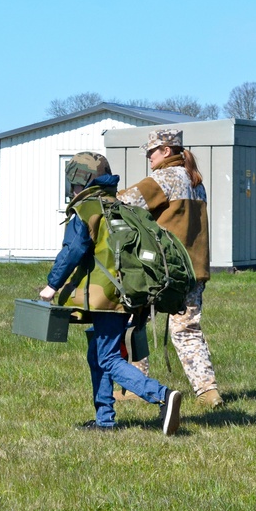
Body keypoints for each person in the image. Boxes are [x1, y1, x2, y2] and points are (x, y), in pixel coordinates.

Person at [39, 152, 182, 435]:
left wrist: (52, 285)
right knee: (98, 354)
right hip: (126, 294)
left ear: (79, 181)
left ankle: (163, 395)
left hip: (105, 298)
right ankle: (105, 420)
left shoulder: (87, 209)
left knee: (107, 358)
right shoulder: (120, 206)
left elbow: (73, 251)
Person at [115, 129, 222, 407]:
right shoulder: (195, 180)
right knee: (188, 331)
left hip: (162, 272)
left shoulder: (163, 178)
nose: (148, 157)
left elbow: (123, 203)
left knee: (133, 323)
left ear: (166, 150)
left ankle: (136, 387)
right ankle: (208, 392)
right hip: (194, 270)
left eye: (151, 151)